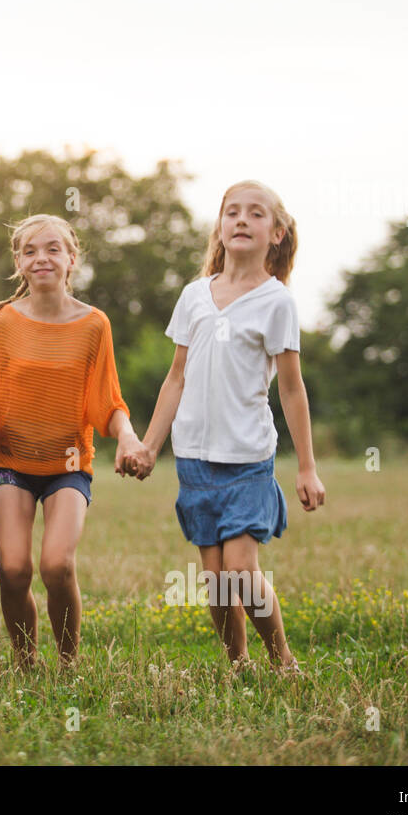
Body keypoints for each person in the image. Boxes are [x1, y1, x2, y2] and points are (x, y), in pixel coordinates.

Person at [134, 179, 325, 673]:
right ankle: (238, 663)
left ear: (277, 233)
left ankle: (282, 659)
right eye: (232, 212)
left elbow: (291, 389)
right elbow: (175, 378)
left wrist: (307, 467)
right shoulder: (195, 296)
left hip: (247, 460)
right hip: (195, 460)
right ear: (220, 227)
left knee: (241, 573)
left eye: (256, 214)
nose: (242, 219)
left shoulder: (276, 302)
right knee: (216, 584)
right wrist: (150, 446)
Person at [0, 214, 145, 668]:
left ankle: (67, 662)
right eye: (29, 251)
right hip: (12, 464)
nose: (41, 257)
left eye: (52, 248)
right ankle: (26, 661)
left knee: (56, 565)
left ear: (71, 258)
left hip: (68, 467)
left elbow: (107, 400)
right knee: (14, 569)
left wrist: (128, 437)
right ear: (18, 264)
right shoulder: (3, 321)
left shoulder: (94, 324)